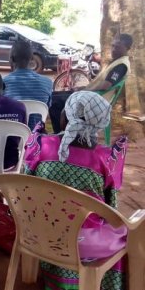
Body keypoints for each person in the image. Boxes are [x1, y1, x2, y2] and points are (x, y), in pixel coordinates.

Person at [23, 91, 128, 290]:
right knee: (127, 233)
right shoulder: (105, 160)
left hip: (40, 234)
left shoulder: (40, 146)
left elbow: (26, 182)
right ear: (100, 125)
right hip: (86, 245)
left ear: (64, 118)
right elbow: (111, 210)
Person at [50, 34, 134, 133]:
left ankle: (61, 135)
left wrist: (85, 90)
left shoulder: (121, 65)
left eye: (118, 47)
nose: (114, 49)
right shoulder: (117, 62)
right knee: (55, 96)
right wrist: (83, 88)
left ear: (127, 48)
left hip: (95, 102)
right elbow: (99, 84)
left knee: (55, 103)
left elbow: (106, 85)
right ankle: (65, 133)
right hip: (92, 98)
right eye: (113, 46)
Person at [4, 40, 52, 128]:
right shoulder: (47, 83)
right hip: (36, 138)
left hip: (11, 137)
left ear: (12, 59)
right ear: (31, 59)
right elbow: (47, 109)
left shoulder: (3, 83)